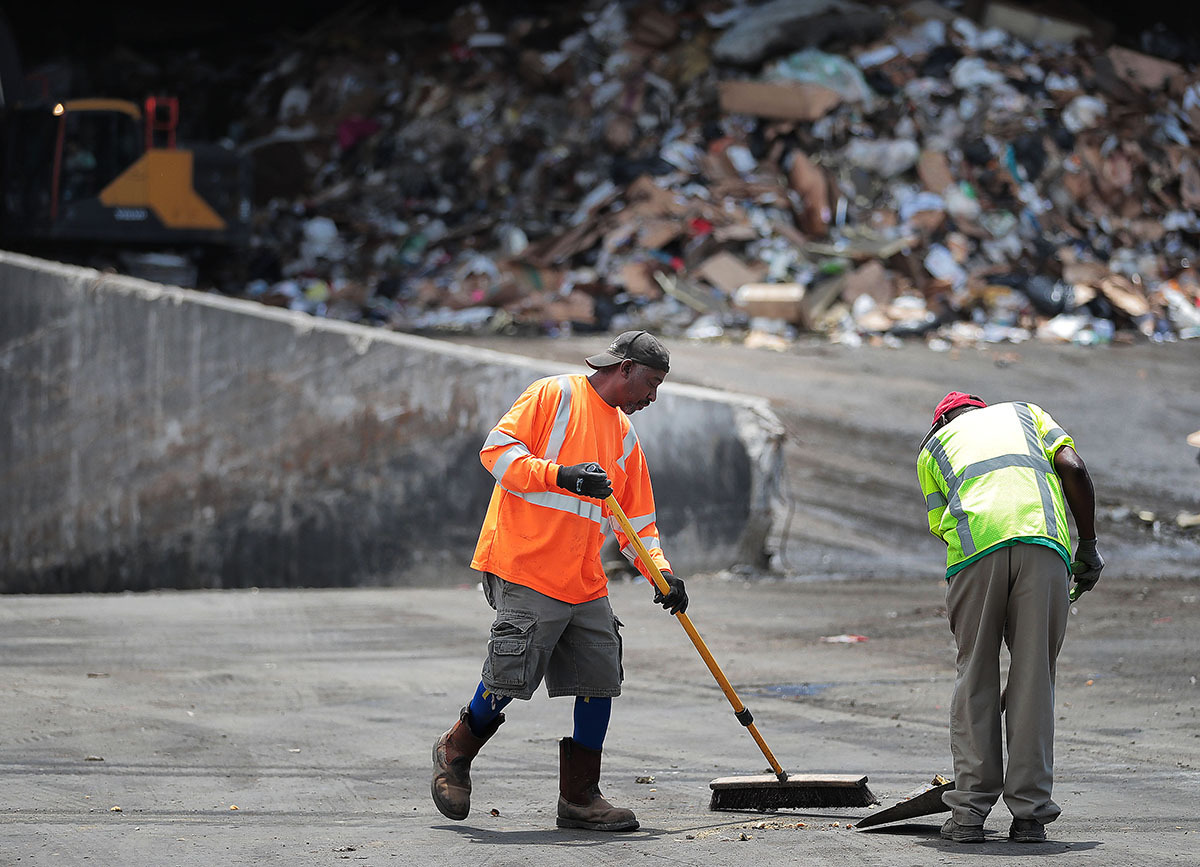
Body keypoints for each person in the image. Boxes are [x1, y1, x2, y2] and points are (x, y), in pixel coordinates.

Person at [432, 330, 687, 832]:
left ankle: (579, 799)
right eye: (651, 384)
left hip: (583, 577)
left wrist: (663, 574)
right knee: (511, 675)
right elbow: (497, 453)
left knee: (599, 677)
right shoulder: (554, 394)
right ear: (625, 368)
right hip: (525, 563)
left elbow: (635, 522)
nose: (652, 398)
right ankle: (456, 749)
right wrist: (561, 475)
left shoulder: (624, 435)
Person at [916, 392, 1104, 844]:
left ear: (943, 421)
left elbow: (943, 523)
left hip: (975, 555)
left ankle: (968, 815)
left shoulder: (933, 448)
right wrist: (1089, 545)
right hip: (1044, 547)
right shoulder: (1027, 414)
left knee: (975, 674)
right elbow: (1074, 468)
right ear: (981, 410)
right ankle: (1030, 816)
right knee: (1034, 677)